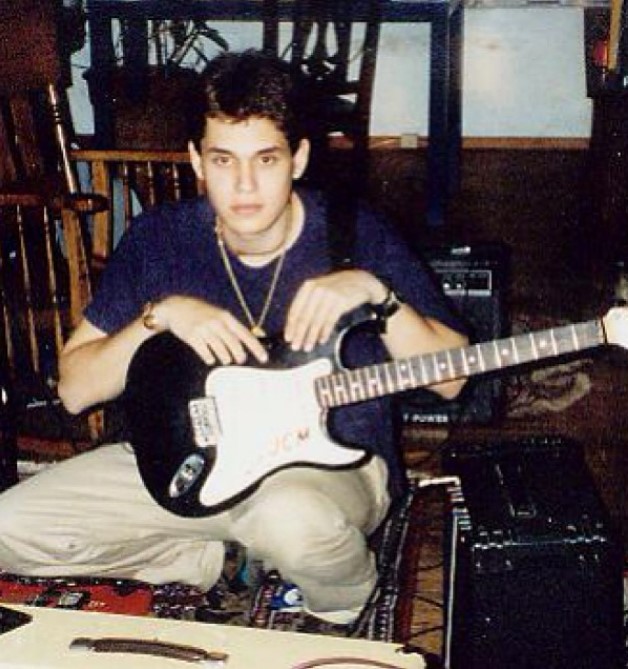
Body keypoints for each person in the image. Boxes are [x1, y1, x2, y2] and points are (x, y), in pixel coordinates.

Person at [0, 50, 468, 625]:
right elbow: (74, 390)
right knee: (8, 529)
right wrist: (161, 315)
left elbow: (452, 380)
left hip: (323, 473)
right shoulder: (160, 239)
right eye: (223, 160)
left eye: (265, 159)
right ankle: (210, 557)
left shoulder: (354, 232)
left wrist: (379, 294)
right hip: (186, 466)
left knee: (287, 522)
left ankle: (343, 601)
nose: (244, 185)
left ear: (297, 158)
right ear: (197, 160)